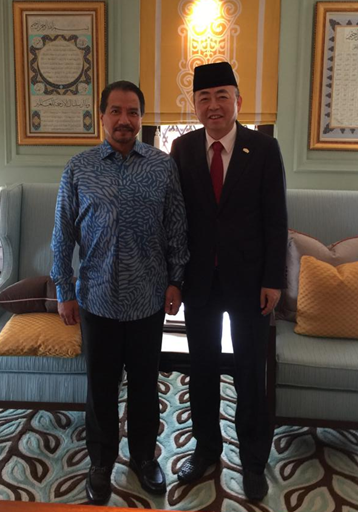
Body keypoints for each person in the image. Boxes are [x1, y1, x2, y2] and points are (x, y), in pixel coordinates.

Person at [51, 80, 189, 505]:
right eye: (116, 111)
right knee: (101, 389)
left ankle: (144, 458)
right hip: (97, 299)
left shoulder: (162, 167)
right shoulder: (79, 168)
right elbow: (62, 235)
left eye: (132, 112)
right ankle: (100, 462)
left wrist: (177, 280)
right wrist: (64, 289)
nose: (124, 120)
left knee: (146, 386)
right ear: (102, 116)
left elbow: (176, 228)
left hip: (148, 298)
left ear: (142, 118)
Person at [170, 62, 288, 501]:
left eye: (222, 96)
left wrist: (273, 279)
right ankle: (206, 449)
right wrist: (174, 278)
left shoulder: (264, 148)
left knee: (249, 372)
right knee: (201, 369)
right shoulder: (182, 148)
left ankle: (253, 460)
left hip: (250, 282)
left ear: (238, 101)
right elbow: (175, 220)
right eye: (204, 98)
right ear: (195, 106)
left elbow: (276, 219)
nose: (213, 105)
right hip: (199, 280)